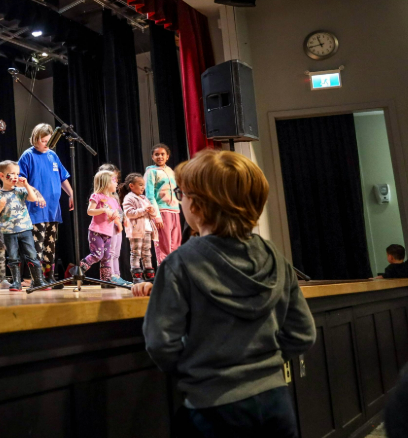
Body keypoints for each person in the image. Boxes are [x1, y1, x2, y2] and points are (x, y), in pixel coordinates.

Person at [132, 149, 316, 438]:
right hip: (275, 401)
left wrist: (201, 373)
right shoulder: (275, 256)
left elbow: (159, 342)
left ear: (197, 206)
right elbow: (303, 333)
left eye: (182, 193)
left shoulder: (179, 263)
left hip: (212, 407)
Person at [19, 123, 72, 285]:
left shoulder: (52, 156)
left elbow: (63, 177)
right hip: (36, 210)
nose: (46, 145)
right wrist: (36, 193)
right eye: (43, 141)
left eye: (49, 141)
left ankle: (49, 276)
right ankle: (34, 277)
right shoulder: (28, 156)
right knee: (37, 244)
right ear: (35, 139)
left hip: (52, 209)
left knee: (50, 244)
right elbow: (21, 181)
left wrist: (71, 194)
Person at [0, 160, 44, 290]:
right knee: (13, 257)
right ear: (2, 175)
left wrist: (26, 185)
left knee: (32, 255)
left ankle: (38, 281)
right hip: (9, 232)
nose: (15, 177)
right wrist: (1, 206)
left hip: (25, 229)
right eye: (11, 174)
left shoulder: (20, 191)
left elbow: (33, 198)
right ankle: (16, 282)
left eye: (17, 173)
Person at [78, 170, 127, 287]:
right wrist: (104, 210)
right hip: (96, 232)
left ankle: (106, 281)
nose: (116, 184)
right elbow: (90, 211)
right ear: (106, 183)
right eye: (114, 181)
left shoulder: (113, 200)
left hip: (108, 233)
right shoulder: (96, 196)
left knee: (107, 257)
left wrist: (117, 220)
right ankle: (79, 269)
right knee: (97, 255)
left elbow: (115, 214)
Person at [145, 143, 181, 264]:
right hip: (162, 210)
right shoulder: (151, 172)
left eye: (162, 154)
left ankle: (174, 273)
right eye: (156, 154)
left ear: (167, 156)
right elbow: (149, 195)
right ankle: (164, 273)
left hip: (175, 210)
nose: (160, 157)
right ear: (152, 157)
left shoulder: (170, 171)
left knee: (175, 244)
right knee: (163, 244)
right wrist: (157, 215)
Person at [121, 173, 157, 283]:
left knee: (147, 252)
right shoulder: (129, 198)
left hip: (147, 229)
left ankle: (149, 275)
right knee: (136, 252)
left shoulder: (144, 198)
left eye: (143, 185)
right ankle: (137, 276)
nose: (143, 187)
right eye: (140, 185)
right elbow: (129, 213)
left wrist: (152, 211)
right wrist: (143, 210)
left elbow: (153, 214)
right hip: (136, 230)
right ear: (131, 186)